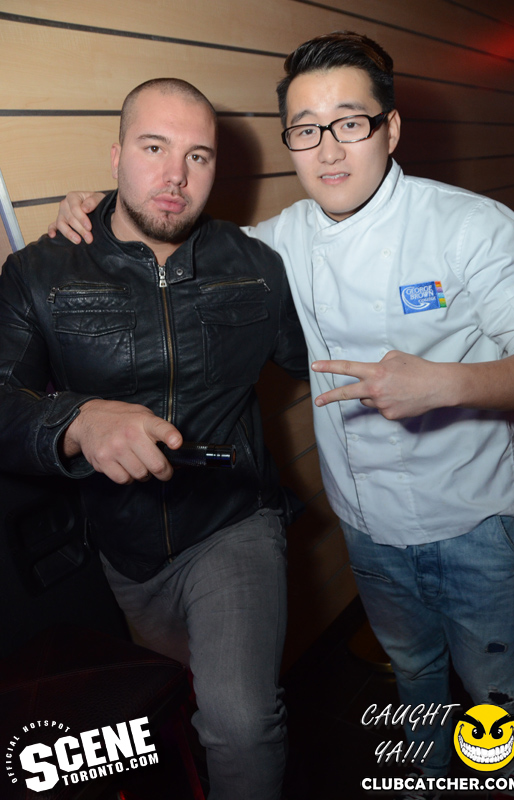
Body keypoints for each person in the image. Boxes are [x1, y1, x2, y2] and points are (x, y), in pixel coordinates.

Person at [51, 31, 514, 798]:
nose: (328, 150)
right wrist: (96, 209)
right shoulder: (278, 244)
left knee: (497, 696)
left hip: (472, 523)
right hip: (368, 528)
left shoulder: (471, 227)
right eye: (305, 130)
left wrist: (443, 384)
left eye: (349, 123)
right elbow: (170, 236)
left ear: (390, 128)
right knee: (412, 674)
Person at [0, 77, 309, 800]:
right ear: (115, 157)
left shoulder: (256, 267)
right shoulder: (41, 271)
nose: (175, 176)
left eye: (198, 156)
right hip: (123, 549)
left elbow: (323, 355)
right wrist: (76, 420)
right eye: (153, 148)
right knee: (184, 700)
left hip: (232, 521)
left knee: (239, 722)